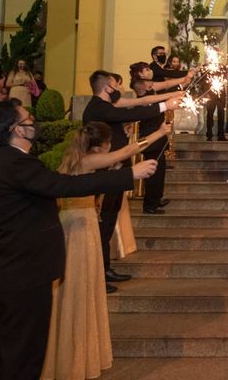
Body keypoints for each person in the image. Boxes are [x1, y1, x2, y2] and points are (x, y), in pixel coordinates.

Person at [0, 99, 156, 380]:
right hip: (25, 271)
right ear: (17, 130)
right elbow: (66, 185)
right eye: (28, 119)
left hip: (9, 268)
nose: (34, 122)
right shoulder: (16, 164)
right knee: (23, 352)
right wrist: (129, 175)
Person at [41, 120, 170, 379]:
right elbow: (128, 151)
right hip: (80, 226)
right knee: (78, 287)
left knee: (75, 288)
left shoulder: (74, 158)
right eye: (110, 144)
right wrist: (161, 132)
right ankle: (73, 358)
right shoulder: (88, 160)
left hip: (75, 222)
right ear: (101, 145)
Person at [82, 70, 182, 291]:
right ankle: (98, 273)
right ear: (107, 88)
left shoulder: (106, 106)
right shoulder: (98, 107)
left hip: (115, 170)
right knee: (103, 222)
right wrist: (166, 106)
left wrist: (169, 98)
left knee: (108, 221)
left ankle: (104, 267)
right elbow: (132, 114)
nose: (119, 88)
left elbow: (140, 104)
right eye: (115, 86)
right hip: (105, 171)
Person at [129, 62, 191, 213]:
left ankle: (156, 198)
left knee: (160, 169)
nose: (150, 71)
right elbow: (157, 95)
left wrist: (184, 80)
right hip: (150, 135)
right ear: (140, 75)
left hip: (159, 133)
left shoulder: (148, 84)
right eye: (147, 69)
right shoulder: (139, 85)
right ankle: (150, 205)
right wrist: (174, 94)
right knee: (152, 171)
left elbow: (166, 84)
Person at [203, 60, 228, 142]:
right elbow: (203, 82)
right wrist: (205, 93)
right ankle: (209, 134)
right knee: (210, 114)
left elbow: (225, 78)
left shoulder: (222, 67)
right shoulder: (206, 67)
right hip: (210, 94)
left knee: (221, 114)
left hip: (220, 95)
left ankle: (221, 134)